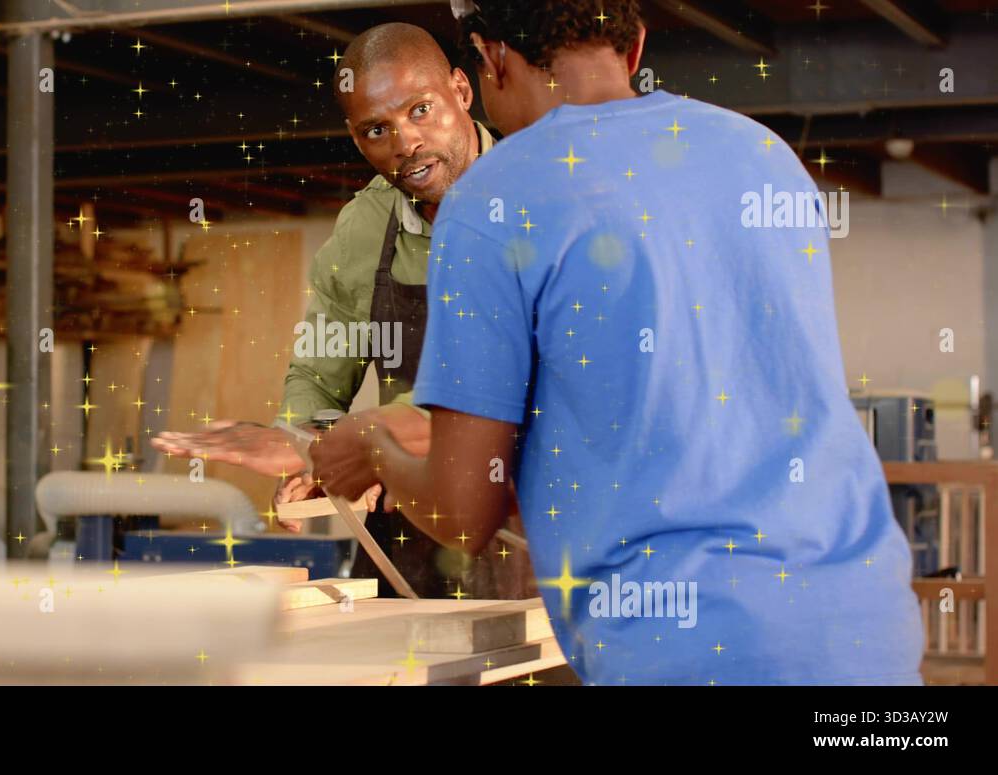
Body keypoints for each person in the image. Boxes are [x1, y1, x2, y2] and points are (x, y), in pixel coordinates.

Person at [314, 0, 924, 684]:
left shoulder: (493, 200)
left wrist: (372, 447)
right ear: (634, 46)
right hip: (866, 626)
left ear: (487, 61)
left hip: (689, 649)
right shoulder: (763, 156)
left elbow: (463, 510)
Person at [154, 23, 532, 600]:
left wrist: (367, 445)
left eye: (421, 110)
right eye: (377, 130)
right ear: (356, 139)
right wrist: (311, 448)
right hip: (408, 541)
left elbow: (519, 386)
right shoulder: (365, 227)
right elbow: (317, 372)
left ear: (461, 89)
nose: (405, 143)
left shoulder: (543, 198)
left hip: (537, 540)